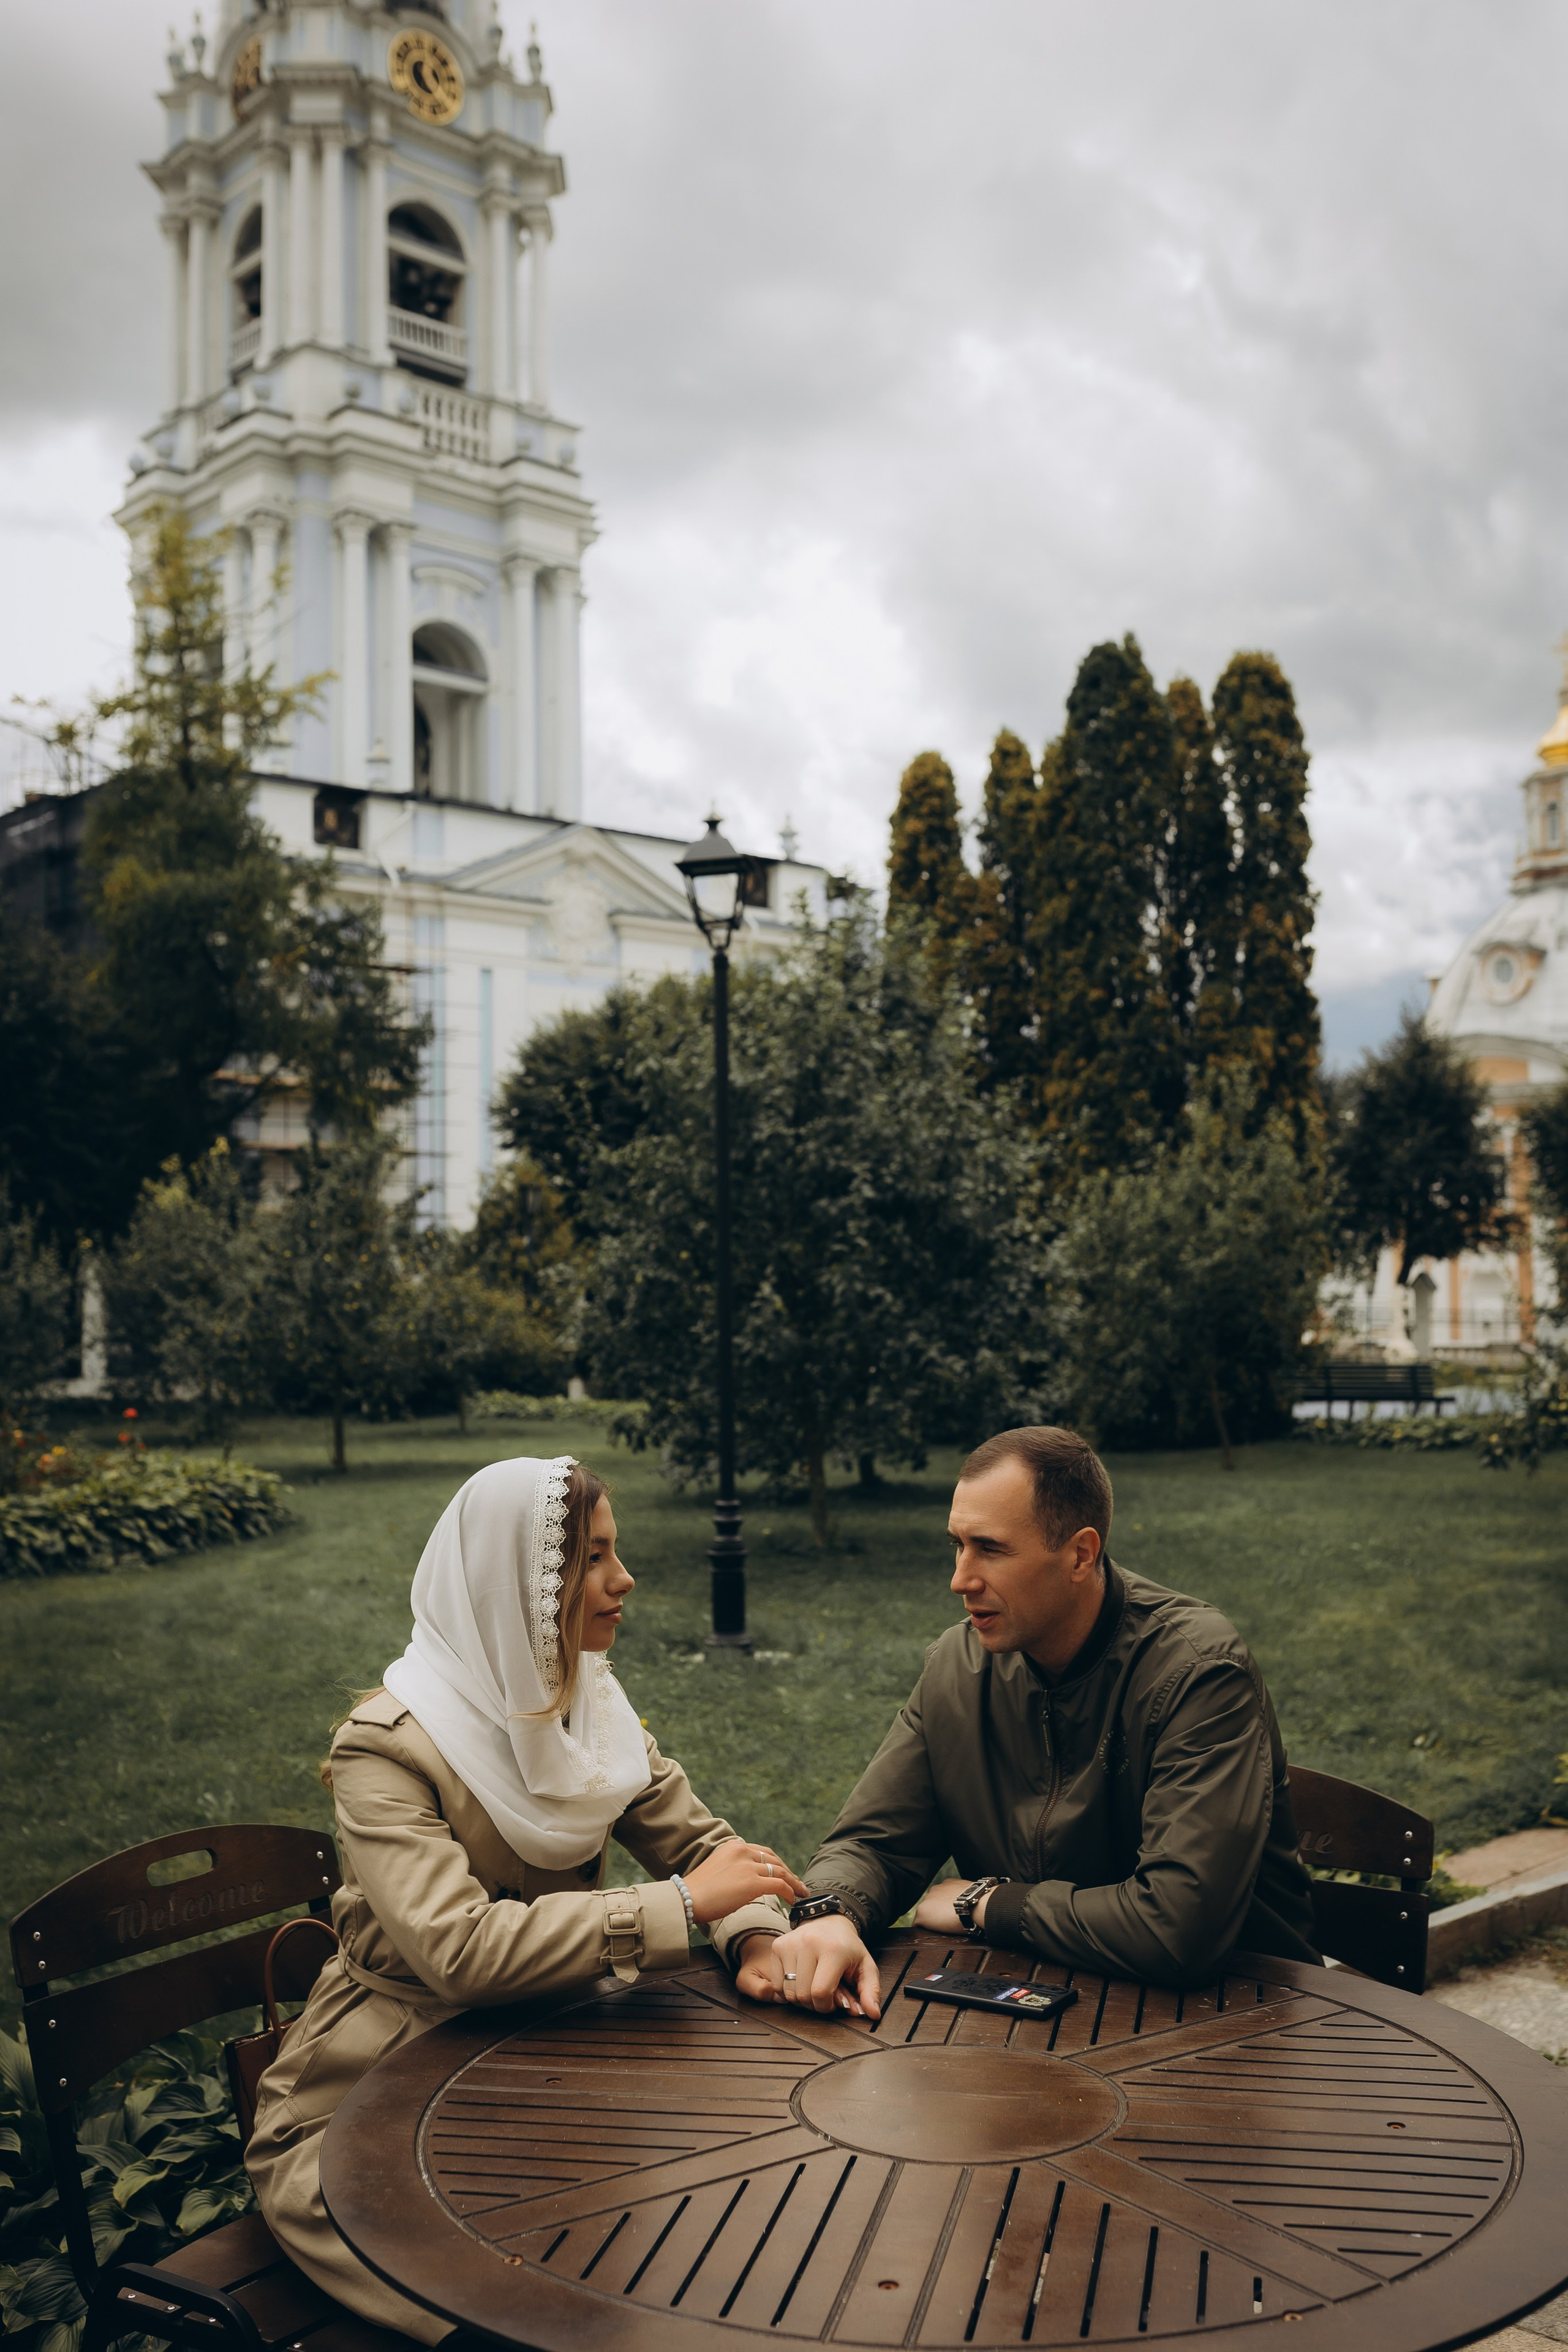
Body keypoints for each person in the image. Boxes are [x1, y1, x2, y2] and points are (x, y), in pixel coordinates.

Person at [247, 1455, 805, 2343]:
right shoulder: (387, 1752)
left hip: (540, 2061)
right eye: (590, 1559)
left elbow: (704, 1846)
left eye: (613, 1553)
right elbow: (460, 1952)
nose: (625, 1580)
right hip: (369, 2111)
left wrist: (755, 1941)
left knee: (707, 2236)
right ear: (514, 1585)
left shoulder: (588, 1708)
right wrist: (685, 1907)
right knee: (523, 2307)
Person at [736, 1425, 1319, 2019]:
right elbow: (873, 1842)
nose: (960, 1578)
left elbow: (1178, 1928)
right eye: (956, 1545)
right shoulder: (958, 1669)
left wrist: (989, 1904)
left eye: (989, 1548)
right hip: (1038, 2015)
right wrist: (831, 1913)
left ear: (1079, 1554)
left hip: (1237, 2024)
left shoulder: (1197, 1673)